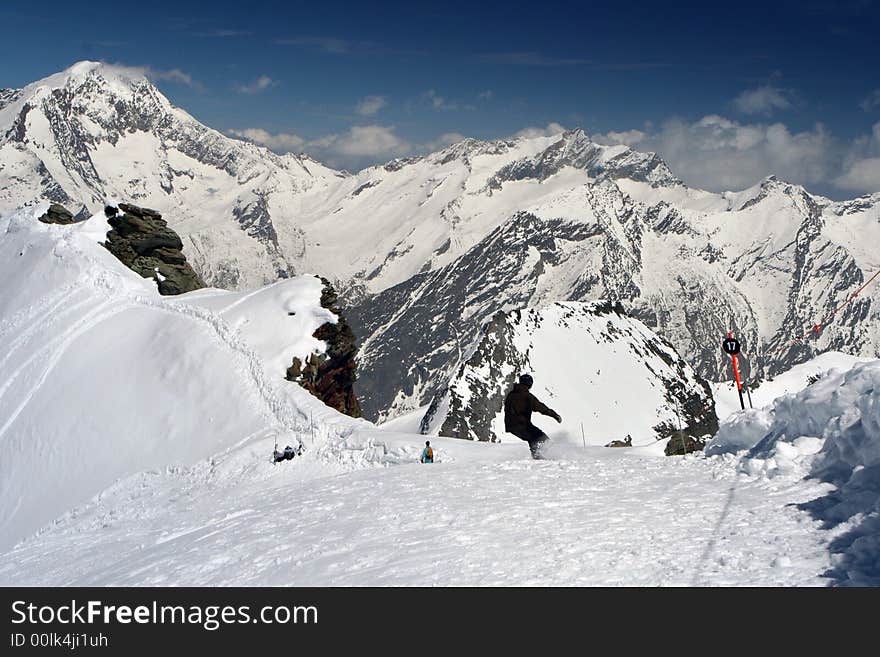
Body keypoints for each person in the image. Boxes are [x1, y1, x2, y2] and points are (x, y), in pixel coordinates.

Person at [504, 374, 561, 459]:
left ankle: (538, 455)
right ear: (530, 384)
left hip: (511, 425)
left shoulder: (511, 394)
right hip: (522, 425)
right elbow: (540, 407)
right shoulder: (527, 396)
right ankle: (541, 456)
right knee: (541, 438)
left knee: (533, 437)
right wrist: (554, 415)